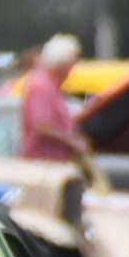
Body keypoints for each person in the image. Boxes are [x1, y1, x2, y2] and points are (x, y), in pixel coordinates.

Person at [19, 33, 92, 162]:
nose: (73, 69)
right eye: (72, 63)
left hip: (55, 162)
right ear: (62, 63)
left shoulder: (54, 88)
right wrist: (71, 141)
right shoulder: (40, 86)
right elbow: (41, 126)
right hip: (41, 164)